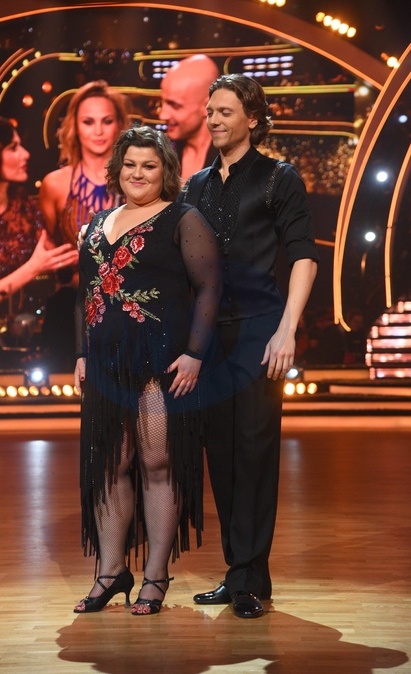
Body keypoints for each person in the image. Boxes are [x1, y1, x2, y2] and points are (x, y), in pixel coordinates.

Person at [180, 74, 319, 618]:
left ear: (252, 119)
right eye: (210, 111)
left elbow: (303, 254)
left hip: (260, 331)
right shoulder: (195, 185)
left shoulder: (279, 177)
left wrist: (288, 328)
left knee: (255, 451)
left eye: (225, 111)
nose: (213, 119)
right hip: (209, 336)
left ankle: (246, 579)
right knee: (220, 452)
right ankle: (243, 572)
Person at [73, 126, 221, 616]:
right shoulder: (97, 224)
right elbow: (85, 294)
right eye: (130, 165)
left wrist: (195, 353)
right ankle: (111, 572)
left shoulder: (183, 218)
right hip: (105, 364)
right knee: (109, 465)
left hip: (161, 361)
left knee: (157, 462)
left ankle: (156, 575)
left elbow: (209, 288)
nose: (138, 174)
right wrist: (81, 352)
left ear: (165, 171)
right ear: (117, 170)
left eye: (149, 166)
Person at [0, 115, 79, 318]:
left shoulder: (23, 205)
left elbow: (59, 266)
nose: (26, 154)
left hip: (34, 328)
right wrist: (33, 268)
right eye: (13, 148)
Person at [39, 80, 129, 248]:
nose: (98, 131)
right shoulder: (54, 184)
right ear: (75, 126)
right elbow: (44, 250)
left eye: (107, 121)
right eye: (88, 122)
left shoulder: (138, 179)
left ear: (119, 124)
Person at [159, 55, 219, 180]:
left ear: (207, 106)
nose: (162, 115)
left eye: (174, 105)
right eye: (162, 103)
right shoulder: (162, 156)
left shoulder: (236, 162)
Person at [39, 266, 77, 372]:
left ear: (57, 278)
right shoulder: (78, 298)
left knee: (58, 369)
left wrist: (44, 343)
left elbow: (48, 322)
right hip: (75, 339)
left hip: (57, 341)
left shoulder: (53, 299)